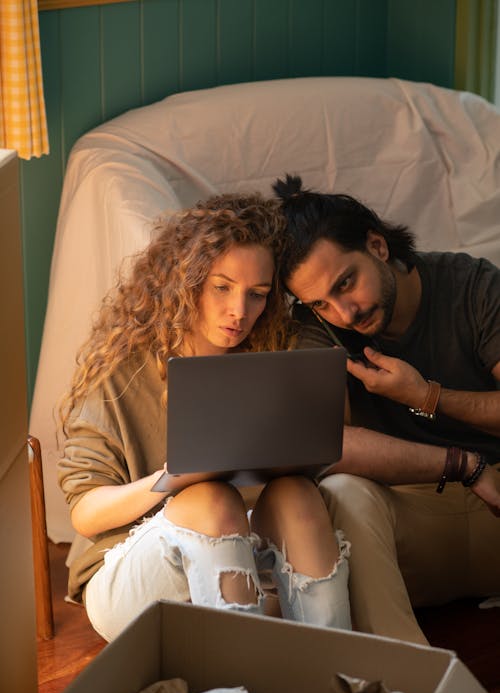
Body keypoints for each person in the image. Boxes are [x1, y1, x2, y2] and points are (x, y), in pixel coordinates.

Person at [57, 192, 351, 642]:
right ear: (186, 280)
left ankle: (336, 675)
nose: (239, 312)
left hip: (238, 550)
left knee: (297, 494)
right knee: (209, 499)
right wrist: (170, 479)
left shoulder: (270, 354)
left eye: (257, 295)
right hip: (127, 573)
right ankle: (238, 690)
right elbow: (84, 514)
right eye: (222, 287)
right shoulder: (122, 368)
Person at [272, 174, 500, 645]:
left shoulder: (473, 285)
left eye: (346, 283)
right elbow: (323, 443)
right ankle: (401, 685)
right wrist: (461, 464)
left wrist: (425, 396)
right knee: (343, 491)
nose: (345, 313)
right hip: (415, 514)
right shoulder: (318, 328)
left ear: (377, 245)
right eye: (320, 303)